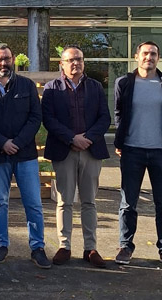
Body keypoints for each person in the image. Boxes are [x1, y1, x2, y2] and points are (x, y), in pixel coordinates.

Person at [0, 44, 51, 268]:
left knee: (33, 203)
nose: (4, 63)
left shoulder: (27, 86)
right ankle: (2, 245)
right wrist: (3, 143)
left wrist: (17, 143)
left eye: (7, 59)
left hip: (25, 154)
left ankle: (37, 247)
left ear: (13, 60)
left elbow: (35, 118)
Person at [114, 40, 162, 269]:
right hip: (132, 151)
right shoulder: (124, 83)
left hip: (161, 153)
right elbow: (119, 113)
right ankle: (125, 246)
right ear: (136, 57)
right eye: (145, 53)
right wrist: (120, 141)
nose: (149, 57)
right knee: (128, 203)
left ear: (158, 58)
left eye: (153, 54)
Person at [42, 46, 111, 268]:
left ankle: (90, 248)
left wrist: (87, 138)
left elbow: (105, 118)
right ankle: (65, 246)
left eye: (79, 59)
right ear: (61, 64)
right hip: (65, 150)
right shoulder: (52, 88)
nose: (75, 63)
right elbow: (49, 120)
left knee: (89, 201)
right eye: (71, 60)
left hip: (91, 150)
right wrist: (72, 138)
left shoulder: (95, 87)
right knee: (65, 201)